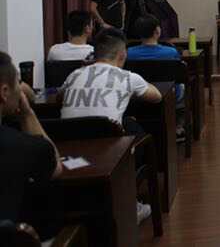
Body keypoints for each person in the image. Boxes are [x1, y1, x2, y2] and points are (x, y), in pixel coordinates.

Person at [59, 29, 162, 224]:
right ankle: (130, 204)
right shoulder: (128, 78)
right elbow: (156, 97)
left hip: (68, 154)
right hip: (110, 157)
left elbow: (60, 97)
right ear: (122, 55)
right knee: (135, 131)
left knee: (126, 123)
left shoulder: (74, 75)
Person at [0, 51, 63, 239]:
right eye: (18, 83)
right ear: (4, 92)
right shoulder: (26, 147)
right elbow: (55, 168)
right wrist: (27, 114)